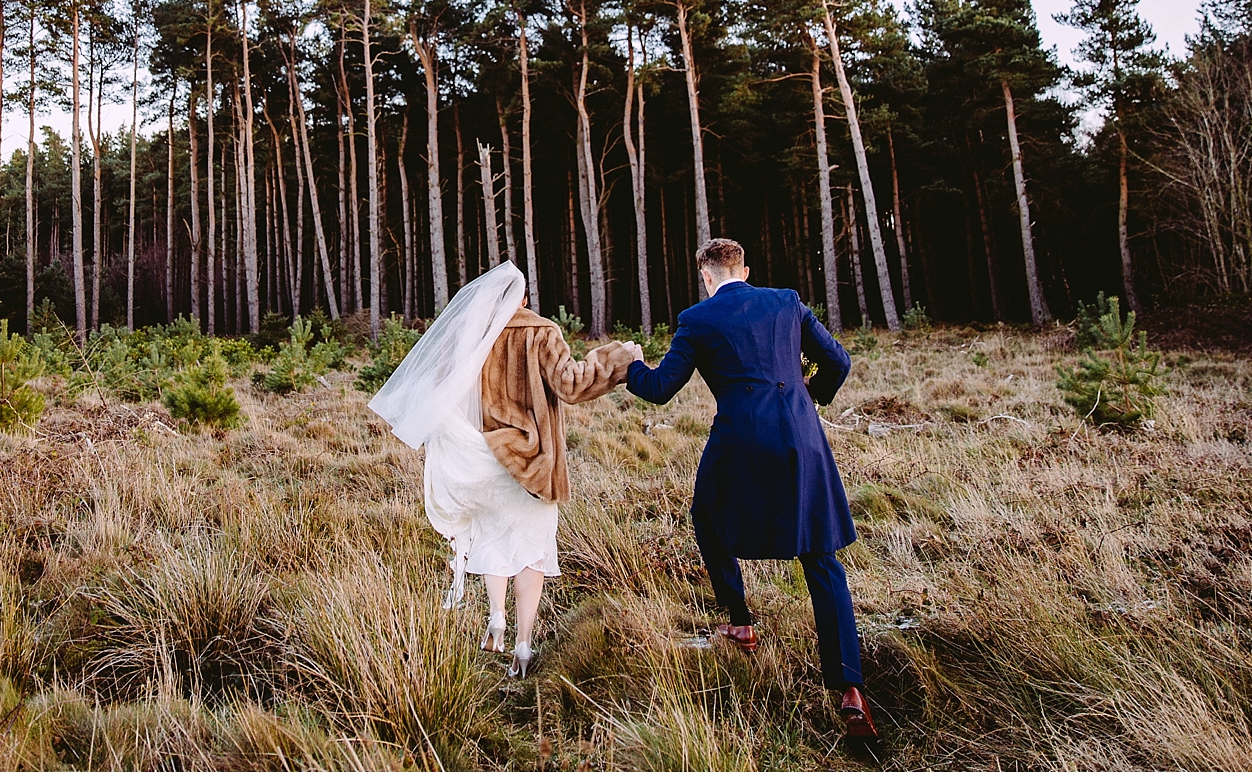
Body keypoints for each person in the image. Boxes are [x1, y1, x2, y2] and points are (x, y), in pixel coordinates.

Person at [624, 237, 879, 740]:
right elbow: (840, 363)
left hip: (739, 438)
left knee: (706, 515)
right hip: (801, 436)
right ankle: (850, 689)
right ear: (745, 270)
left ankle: (740, 621)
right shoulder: (786, 300)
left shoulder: (697, 319)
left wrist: (631, 363)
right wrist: (812, 395)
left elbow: (658, 390)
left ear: (706, 276)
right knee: (821, 556)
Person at [368, 261, 641, 677]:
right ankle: (524, 644)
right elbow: (571, 385)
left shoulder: (471, 338)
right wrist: (617, 359)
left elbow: (440, 393)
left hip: (483, 457)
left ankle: (496, 617)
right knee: (531, 551)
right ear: (524, 299)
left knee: (493, 541)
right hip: (531, 461)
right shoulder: (541, 332)